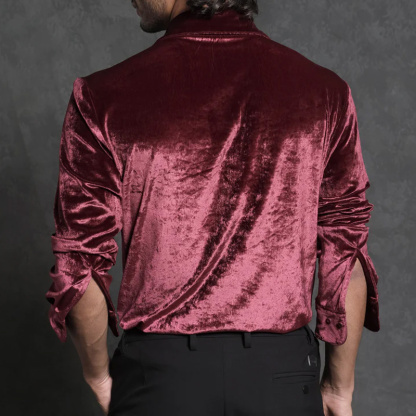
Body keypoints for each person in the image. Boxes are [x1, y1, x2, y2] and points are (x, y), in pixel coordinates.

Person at [45, 1, 381, 415]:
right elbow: (345, 251)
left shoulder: (103, 97)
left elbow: (79, 265)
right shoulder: (324, 93)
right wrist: (339, 387)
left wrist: (98, 375)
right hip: (279, 379)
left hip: (160, 379)